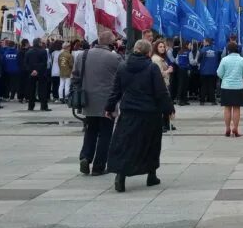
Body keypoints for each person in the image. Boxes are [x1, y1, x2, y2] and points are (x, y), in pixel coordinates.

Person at [106, 39, 176, 192]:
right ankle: (151, 176)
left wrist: (109, 107)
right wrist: (169, 108)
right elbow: (160, 91)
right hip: (149, 112)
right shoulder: (151, 68)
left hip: (129, 111)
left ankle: (121, 175)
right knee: (151, 143)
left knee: (125, 144)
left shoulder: (123, 66)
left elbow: (116, 90)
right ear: (148, 52)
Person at [73, 31, 121, 176]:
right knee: (105, 134)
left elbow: (75, 76)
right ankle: (99, 166)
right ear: (111, 43)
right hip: (108, 102)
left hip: (88, 100)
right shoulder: (114, 57)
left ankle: (86, 157)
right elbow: (122, 75)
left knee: (90, 130)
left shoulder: (83, 55)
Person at [217, 41, 243, 137]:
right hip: (238, 86)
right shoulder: (242, 60)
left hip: (226, 86)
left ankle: (227, 128)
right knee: (236, 108)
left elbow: (219, 73)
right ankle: (235, 128)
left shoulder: (224, 60)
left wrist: (225, 78)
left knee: (227, 108)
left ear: (228, 50)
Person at [24, 38, 51, 112]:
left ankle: (30, 106)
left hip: (31, 73)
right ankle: (43, 106)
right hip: (41, 73)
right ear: (39, 43)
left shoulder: (28, 52)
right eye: (41, 42)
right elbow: (44, 63)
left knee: (31, 90)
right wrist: (37, 70)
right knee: (42, 90)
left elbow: (26, 64)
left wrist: (32, 70)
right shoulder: (43, 51)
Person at [197, 38, 220, 105]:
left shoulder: (202, 50)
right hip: (213, 71)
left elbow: (199, 60)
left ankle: (202, 101)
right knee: (212, 86)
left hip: (204, 71)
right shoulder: (216, 50)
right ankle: (212, 101)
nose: (203, 43)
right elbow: (218, 59)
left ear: (207, 42)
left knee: (203, 86)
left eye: (204, 42)